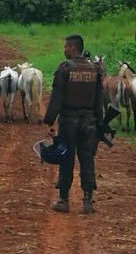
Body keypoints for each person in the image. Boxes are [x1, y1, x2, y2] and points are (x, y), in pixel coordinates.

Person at [43, 34, 104, 214]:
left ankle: (63, 200)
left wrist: (49, 120)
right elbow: (99, 100)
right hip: (89, 122)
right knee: (87, 159)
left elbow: (57, 97)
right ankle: (88, 201)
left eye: (66, 47)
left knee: (66, 159)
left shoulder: (65, 68)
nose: (64, 50)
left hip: (69, 121)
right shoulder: (95, 69)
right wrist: (99, 122)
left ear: (72, 48)